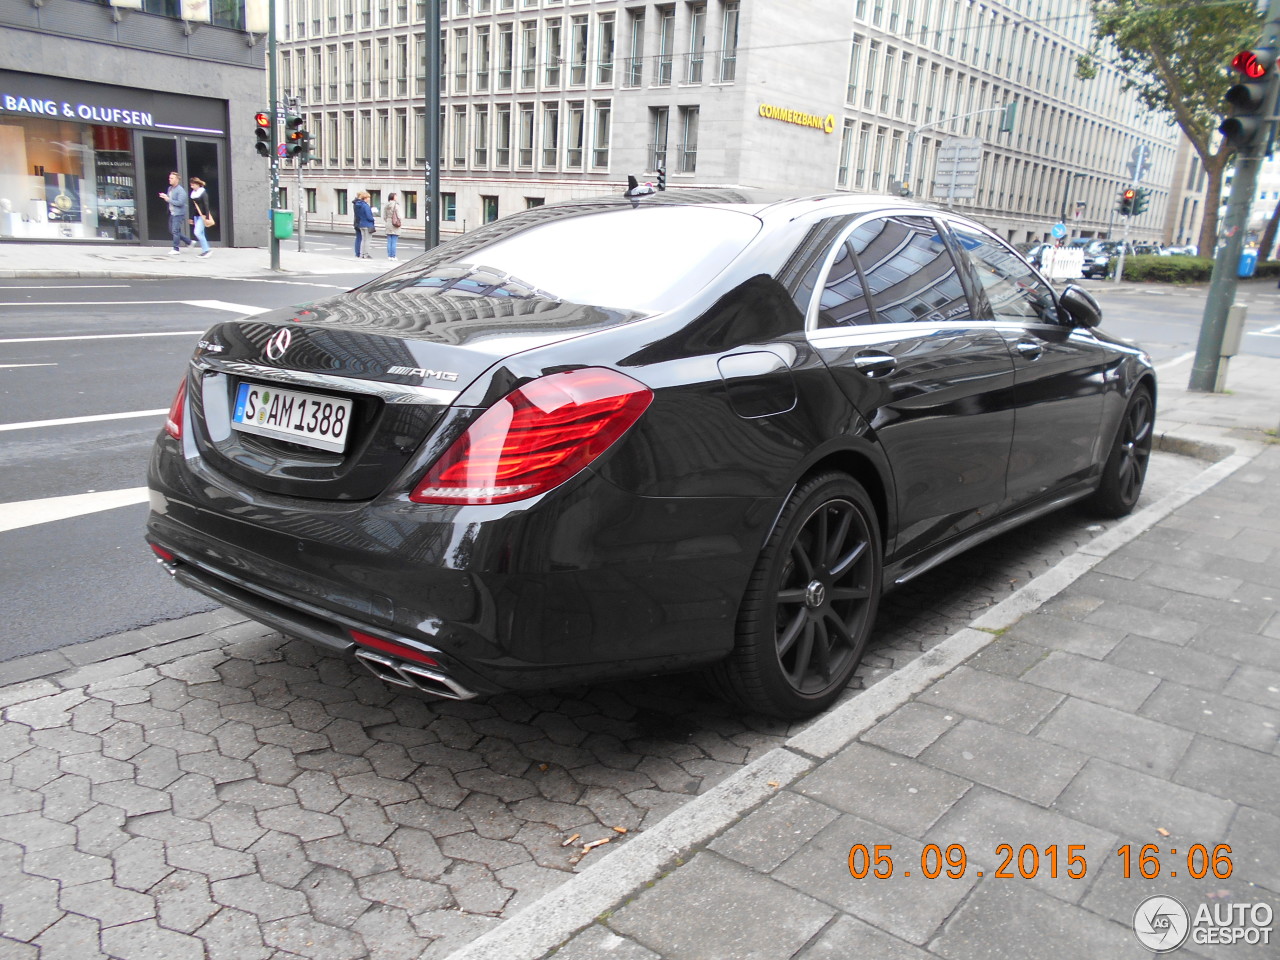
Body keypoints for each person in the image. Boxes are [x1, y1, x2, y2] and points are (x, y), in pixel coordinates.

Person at [159, 171, 190, 255]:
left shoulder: (181, 190)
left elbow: (180, 203)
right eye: (169, 178)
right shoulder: (170, 188)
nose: (169, 179)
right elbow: (170, 199)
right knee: (172, 230)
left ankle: (176, 249)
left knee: (175, 231)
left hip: (178, 213)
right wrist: (165, 196)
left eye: (171, 178)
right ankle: (189, 242)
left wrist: (168, 199)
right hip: (172, 213)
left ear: (177, 180)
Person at [189, 177, 213, 258]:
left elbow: (206, 205)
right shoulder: (193, 194)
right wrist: (191, 218)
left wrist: (206, 217)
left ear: (198, 184)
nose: (192, 187)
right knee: (201, 233)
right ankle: (205, 250)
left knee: (197, 232)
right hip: (196, 216)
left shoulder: (203, 193)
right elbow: (193, 207)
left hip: (202, 216)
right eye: (191, 185)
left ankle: (207, 250)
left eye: (193, 185)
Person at [353, 191, 375, 259]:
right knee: (367, 240)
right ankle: (366, 254)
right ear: (365, 198)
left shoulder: (358, 205)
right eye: (368, 197)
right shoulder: (365, 205)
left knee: (363, 240)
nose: (369, 199)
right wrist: (373, 219)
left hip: (361, 223)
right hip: (367, 224)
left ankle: (361, 254)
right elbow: (369, 216)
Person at [383, 192, 402, 261]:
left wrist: (388, 220)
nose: (397, 197)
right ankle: (393, 256)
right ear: (393, 197)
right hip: (394, 223)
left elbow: (384, 216)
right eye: (396, 196)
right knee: (394, 240)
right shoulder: (396, 205)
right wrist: (400, 221)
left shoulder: (386, 205)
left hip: (388, 223)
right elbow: (399, 215)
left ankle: (389, 256)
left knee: (389, 240)